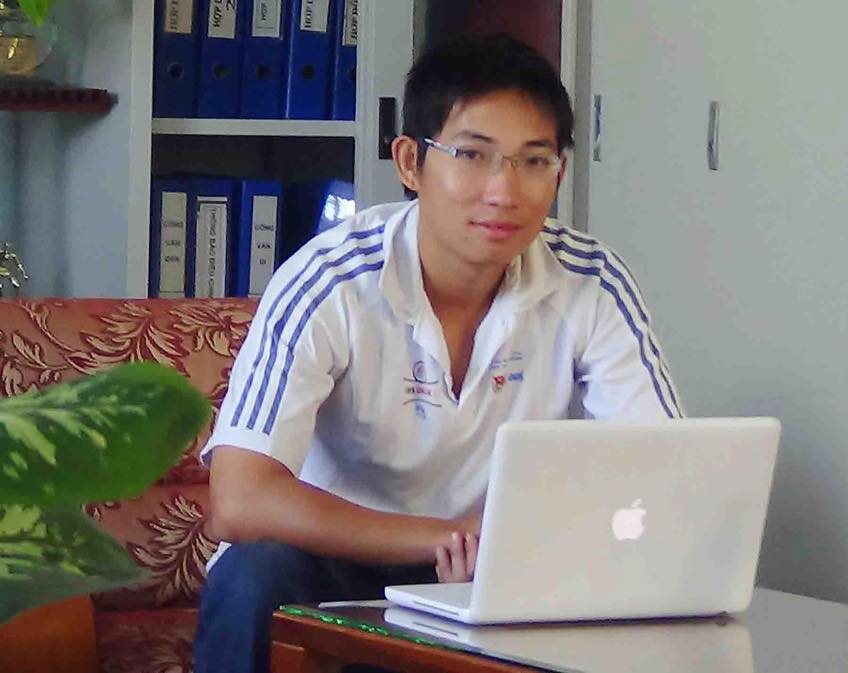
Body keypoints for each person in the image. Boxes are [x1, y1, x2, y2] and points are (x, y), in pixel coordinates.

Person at [194, 33, 682, 673]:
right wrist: (442, 538)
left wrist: (530, 542)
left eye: (534, 161)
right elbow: (241, 499)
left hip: (504, 565)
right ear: (410, 162)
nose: (504, 191)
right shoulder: (332, 278)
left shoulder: (591, 281)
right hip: (336, 559)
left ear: (559, 173)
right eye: (473, 155)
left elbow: (663, 471)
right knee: (252, 579)